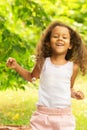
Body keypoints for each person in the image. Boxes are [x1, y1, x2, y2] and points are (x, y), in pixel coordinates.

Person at [6, 21, 87, 130]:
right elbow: (31, 77)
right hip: (42, 116)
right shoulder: (43, 62)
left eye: (64, 37)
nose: (60, 39)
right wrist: (16, 66)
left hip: (64, 118)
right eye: (55, 36)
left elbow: (69, 88)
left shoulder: (73, 67)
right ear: (48, 42)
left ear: (70, 45)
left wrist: (75, 94)